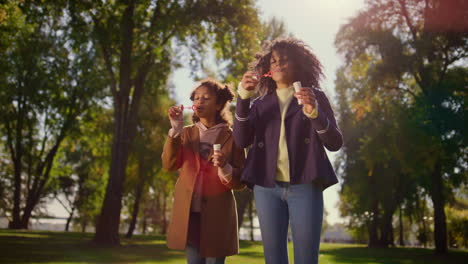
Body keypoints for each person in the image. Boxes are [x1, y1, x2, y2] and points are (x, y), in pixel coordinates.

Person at [233, 37, 343, 264]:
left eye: (284, 60)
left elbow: (334, 143)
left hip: (305, 183)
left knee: (306, 258)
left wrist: (314, 113)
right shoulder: (260, 104)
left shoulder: (316, 97)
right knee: (273, 259)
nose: (278, 65)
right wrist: (243, 98)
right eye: (273, 61)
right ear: (267, 70)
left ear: (298, 65)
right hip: (266, 187)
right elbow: (241, 140)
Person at [162, 79, 245, 264]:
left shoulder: (233, 137)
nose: (199, 102)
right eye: (196, 98)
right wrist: (175, 130)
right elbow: (169, 165)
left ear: (218, 105)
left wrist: (225, 166)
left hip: (218, 216)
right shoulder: (186, 134)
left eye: (206, 98)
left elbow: (240, 181)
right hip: (190, 215)